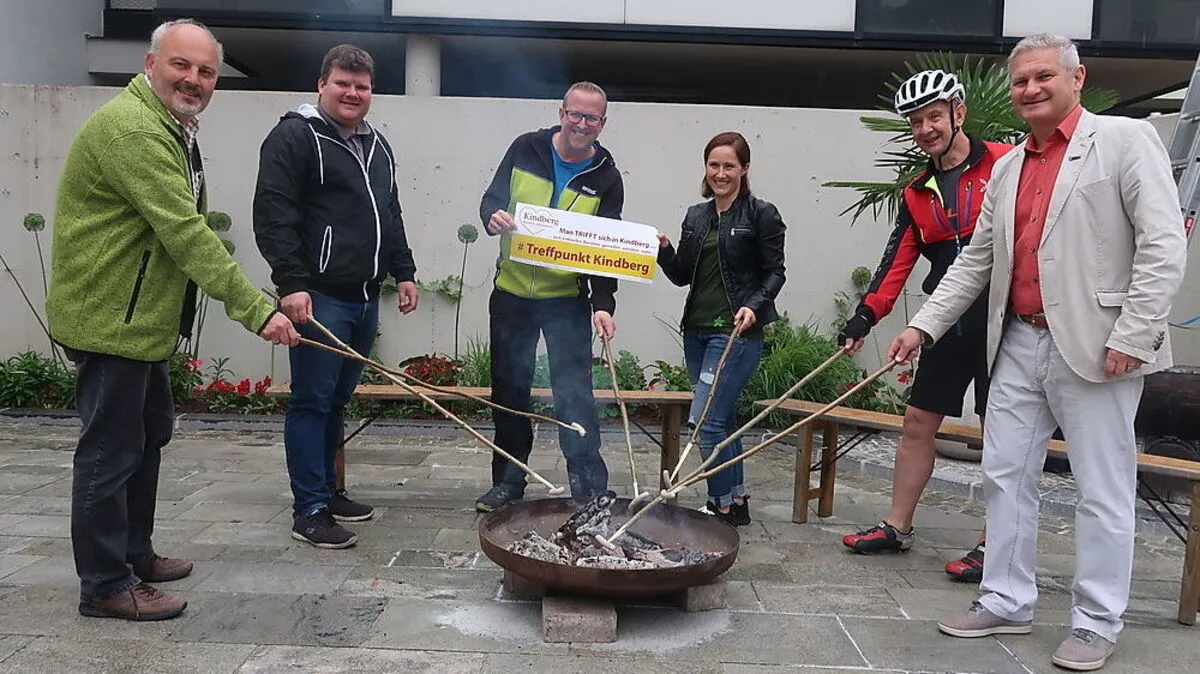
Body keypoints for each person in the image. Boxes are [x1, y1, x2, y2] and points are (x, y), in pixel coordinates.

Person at [889, 34, 1186, 671]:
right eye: (1020, 80)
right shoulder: (1008, 165)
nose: (1028, 89)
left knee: (1102, 489)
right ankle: (1006, 596)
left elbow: (1163, 247)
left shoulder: (1126, 142)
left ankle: (1098, 620)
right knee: (1003, 473)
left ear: (1077, 79)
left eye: (1042, 77)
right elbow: (976, 262)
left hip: (1101, 346)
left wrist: (1133, 335)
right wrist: (925, 327)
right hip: (1018, 339)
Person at [46, 19, 299, 621]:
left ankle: (134, 552)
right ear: (150, 63)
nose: (194, 80)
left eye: (206, 71)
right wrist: (255, 308)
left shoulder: (170, 124)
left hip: (141, 323)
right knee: (110, 453)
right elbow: (187, 233)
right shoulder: (135, 130)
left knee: (147, 436)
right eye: (182, 66)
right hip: (110, 320)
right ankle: (106, 584)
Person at [838, 70, 1012, 584]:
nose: (926, 128)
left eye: (934, 115)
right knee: (918, 421)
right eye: (916, 121)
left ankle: (994, 542)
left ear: (958, 110)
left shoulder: (1007, 162)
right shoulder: (917, 192)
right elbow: (896, 262)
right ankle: (897, 526)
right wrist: (865, 316)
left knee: (1000, 433)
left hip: (1004, 319)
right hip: (948, 321)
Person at [253, 44, 418, 548]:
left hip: (365, 298)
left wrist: (404, 271)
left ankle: (329, 489)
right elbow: (274, 213)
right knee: (312, 402)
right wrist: (292, 284)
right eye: (343, 83)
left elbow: (389, 212)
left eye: (362, 86)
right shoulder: (294, 137)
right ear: (321, 84)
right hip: (320, 297)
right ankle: (310, 509)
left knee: (337, 400)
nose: (353, 93)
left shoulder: (377, 145)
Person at [474, 81, 622, 512]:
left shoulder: (608, 177)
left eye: (590, 118)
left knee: (574, 393)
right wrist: (492, 217)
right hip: (512, 295)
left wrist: (604, 305)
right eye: (574, 114)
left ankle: (588, 485)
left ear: (602, 124)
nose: (581, 124)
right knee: (510, 391)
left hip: (566, 300)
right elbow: (491, 200)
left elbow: (606, 250)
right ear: (561, 112)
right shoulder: (525, 148)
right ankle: (507, 482)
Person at [655, 131, 786, 526]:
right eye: (714, 165)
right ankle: (737, 501)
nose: (721, 173)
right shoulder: (696, 216)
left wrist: (752, 305)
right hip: (695, 332)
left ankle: (719, 506)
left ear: (744, 169)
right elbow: (681, 276)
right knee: (722, 421)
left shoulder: (761, 214)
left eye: (730, 165)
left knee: (706, 421)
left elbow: (775, 273)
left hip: (734, 334)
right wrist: (663, 250)